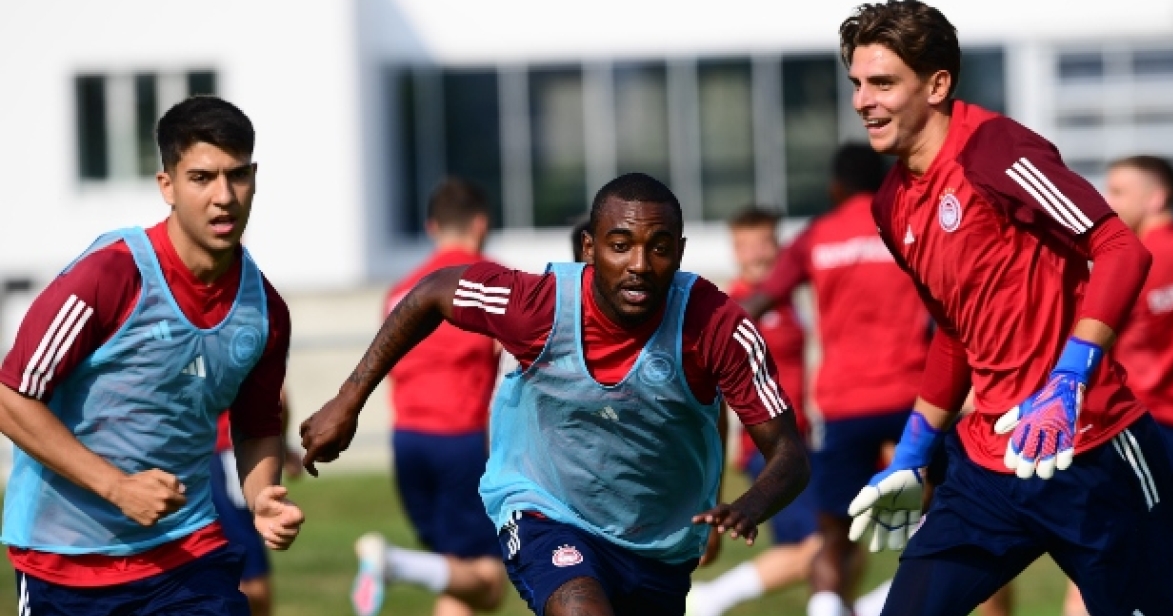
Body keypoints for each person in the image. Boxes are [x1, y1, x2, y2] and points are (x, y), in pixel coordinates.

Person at [301, 172, 810, 616]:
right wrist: (349, 399)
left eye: (658, 248)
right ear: (589, 248)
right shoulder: (538, 306)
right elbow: (435, 291)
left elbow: (789, 452)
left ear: (679, 251)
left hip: (657, 543)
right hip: (546, 510)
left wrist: (746, 505)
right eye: (620, 244)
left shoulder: (717, 327)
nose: (639, 263)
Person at [838, 0, 1173, 615]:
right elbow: (954, 331)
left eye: (883, 83)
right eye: (857, 84)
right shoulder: (890, 203)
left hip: (1093, 449)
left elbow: (1119, 249)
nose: (862, 101)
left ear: (937, 85)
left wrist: (1068, 381)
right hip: (987, 467)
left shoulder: (994, 149)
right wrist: (914, 451)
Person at [0, 96, 304, 615]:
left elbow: (256, 427)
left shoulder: (264, 311)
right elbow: (11, 399)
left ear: (254, 179)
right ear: (167, 185)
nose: (224, 196)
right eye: (202, 178)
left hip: (187, 553)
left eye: (237, 176)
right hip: (65, 562)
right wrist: (117, 487)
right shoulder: (110, 275)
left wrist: (261, 498)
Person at [740, 144, 927, 616]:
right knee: (949, 519)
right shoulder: (908, 224)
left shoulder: (817, 236)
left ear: (835, 187)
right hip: (914, 399)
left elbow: (760, 301)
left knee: (833, 537)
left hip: (844, 405)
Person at [351, 178, 506, 616]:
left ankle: (399, 564)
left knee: (457, 572)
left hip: (407, 441)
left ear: (432, 227)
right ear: (481, 224)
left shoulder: (401, 290)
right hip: (462, 441)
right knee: (489, 582)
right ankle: (393, 563)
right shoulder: (494, 282)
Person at [1061, 155, 1173, 616]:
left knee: (1095, 561)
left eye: (1119, 191)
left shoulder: (1128, 264)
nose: (1108, 202)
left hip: (1140, 430)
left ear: (1157, 197)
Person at [684, 206, 821, 616]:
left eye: (764, 243)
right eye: (745, 246)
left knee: (842, 545)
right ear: (734, 251)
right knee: (818, 548)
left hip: (805, 440)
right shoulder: (731, 310)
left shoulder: (790, 299)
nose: (756, 254)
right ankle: (710, 599)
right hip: (767, 446)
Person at [211, 392, 304, 616]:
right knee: (250, 576)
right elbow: (278, 398)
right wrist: (281, 445)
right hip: (232, 455)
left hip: (196, 458)